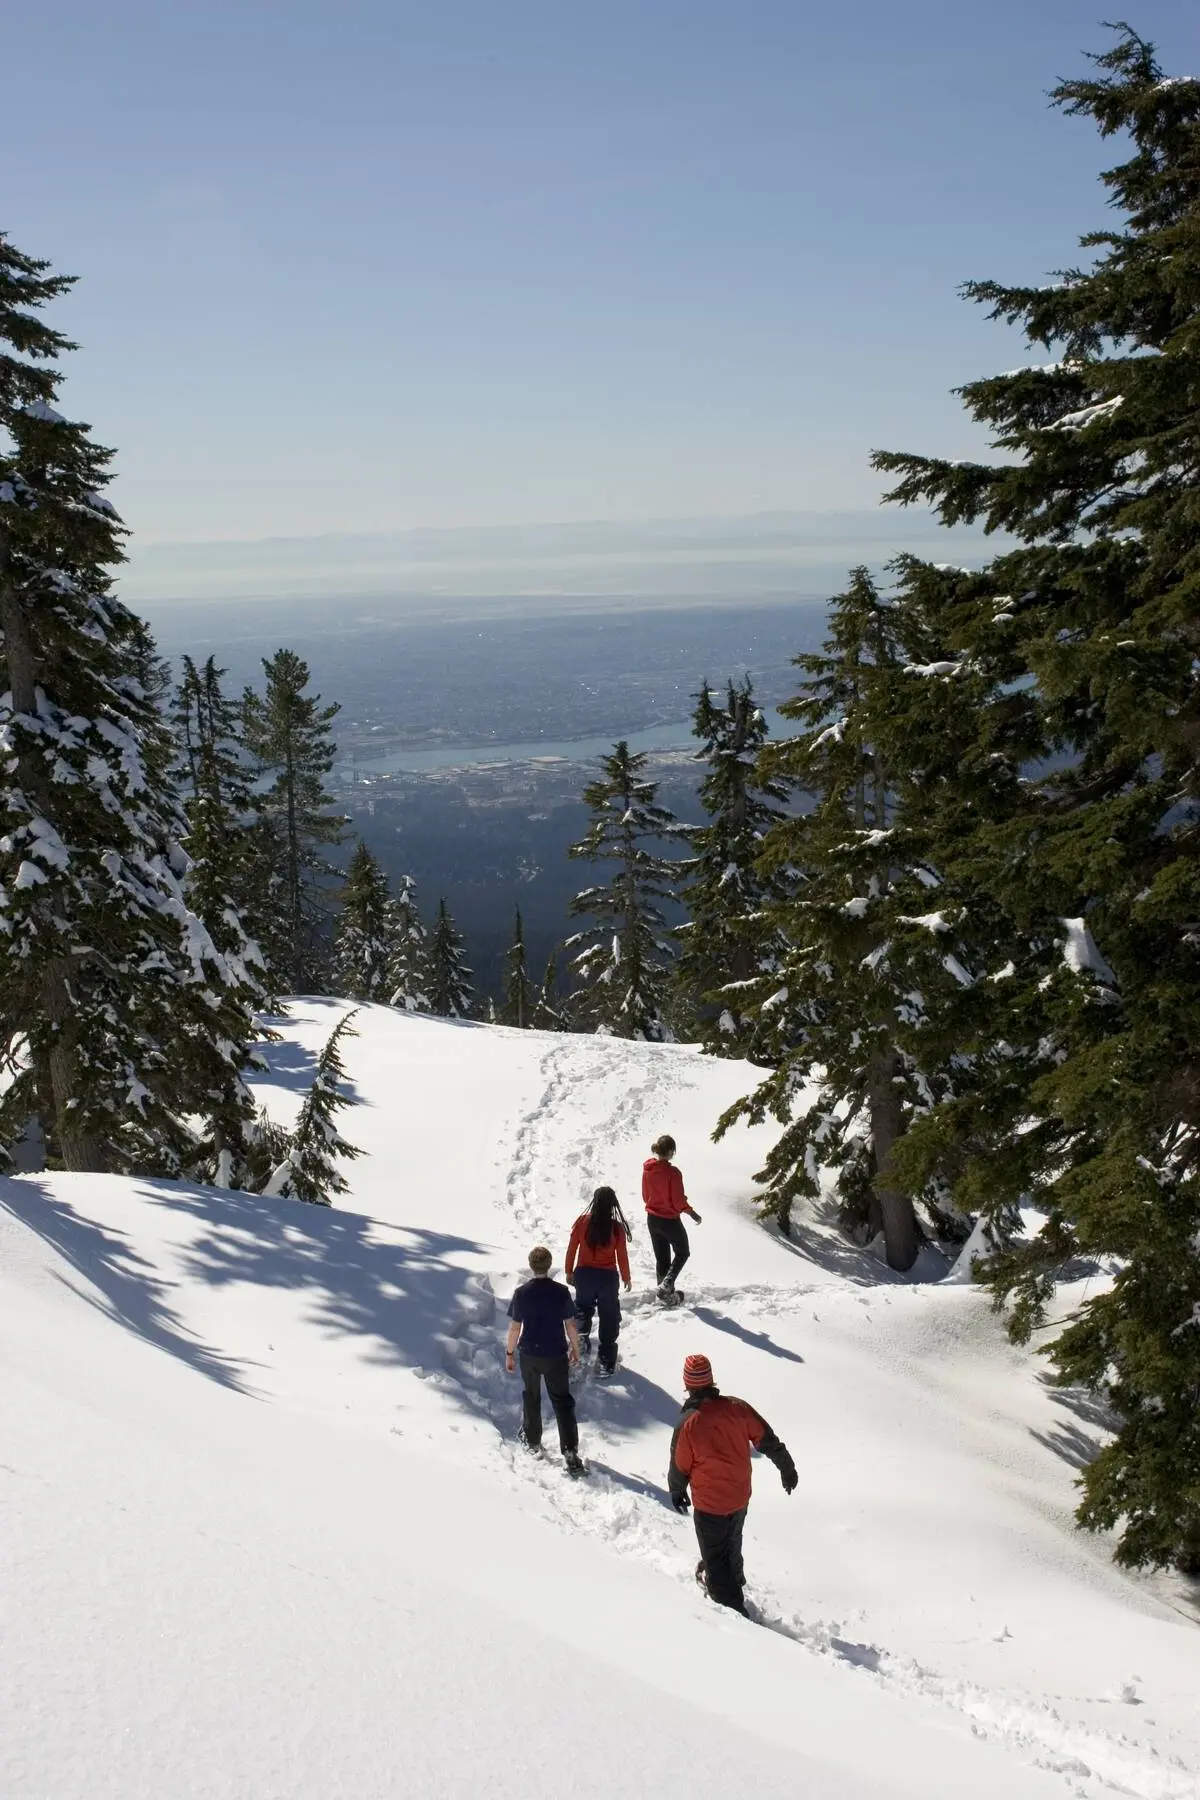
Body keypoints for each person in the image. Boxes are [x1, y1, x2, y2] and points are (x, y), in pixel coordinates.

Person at [667, 1352, 797, 1616]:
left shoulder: (688, 1423)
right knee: (732, 1540)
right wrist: (787, 1468)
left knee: (715, 1556)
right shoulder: (738, 1408)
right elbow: (767, 1440)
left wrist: (677, 1490)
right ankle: (733, 1577)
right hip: (739, 1498)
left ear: (688, 1384)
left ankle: (733, 1608)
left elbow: (680, 1464)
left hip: (710, 1505)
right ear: (711, 1380)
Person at [505, 1245, 586, 1475]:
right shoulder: (561, 1292)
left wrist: (509, 1353)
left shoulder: (522, 1293)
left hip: (529, 1354)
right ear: (549, 1265)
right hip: (555, 1355)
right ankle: (570, 1450)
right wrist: (576, 1350)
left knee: (531, 1396)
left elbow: (514, 1328)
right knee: (562, 1401)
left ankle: (532, 1440)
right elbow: (570, 1325)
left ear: (531, 1266)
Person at [565, 1185, 633, 1375]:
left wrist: (569, 1271)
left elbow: (572, 1249)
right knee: (609, 1315)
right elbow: (622, 1256)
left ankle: (580, 1337)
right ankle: (606, 1358)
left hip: (584, 1276)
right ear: (613, 1205)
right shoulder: (616, 1228)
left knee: (583, 1308)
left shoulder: (581, 1222)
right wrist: (626, 1277)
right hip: (607, 1279)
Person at [642, 1133, 702, 1297]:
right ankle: (666, 1286)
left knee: (662, 1259)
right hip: (669, 1220)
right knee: (683, 1252)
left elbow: (645, 1196)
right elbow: (677, 1200)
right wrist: (692, 1213)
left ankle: (664, 1292)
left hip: (652, 1219)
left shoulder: (648, 1170)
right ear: (670, 1152)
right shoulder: (673, 1173)